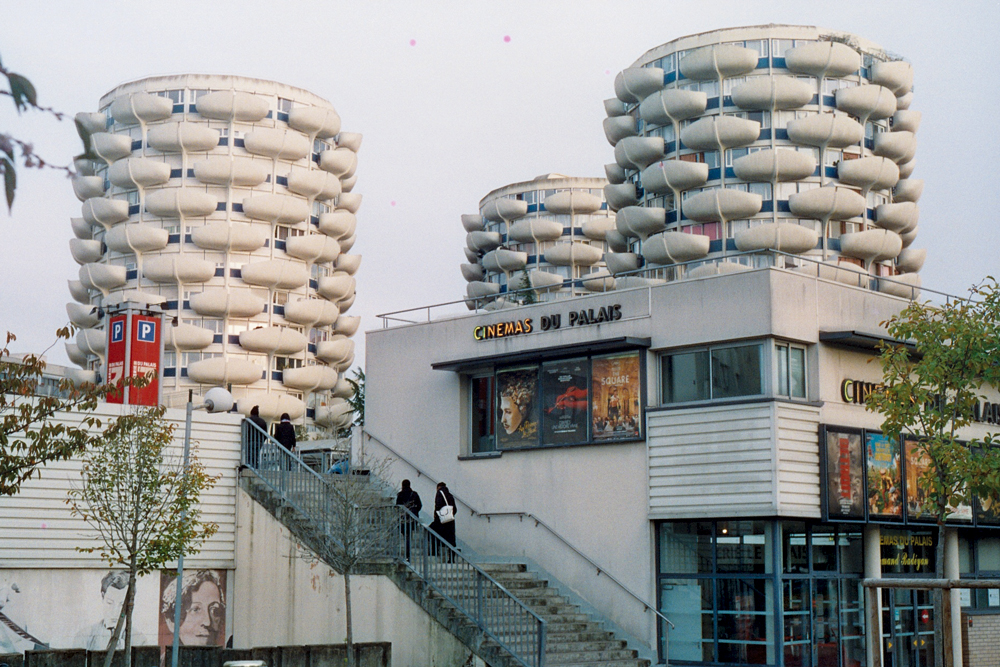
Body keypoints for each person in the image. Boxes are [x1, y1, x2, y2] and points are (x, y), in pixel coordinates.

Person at [75, 570, 149, 650]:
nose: (115, 611)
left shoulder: (140, 641)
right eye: (110, 603)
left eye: (122, 605)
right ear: (103, 597)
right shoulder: (84, 637)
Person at [161, 570, 226, 647]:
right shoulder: (163, 659)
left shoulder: (227, 659)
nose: (207, 622)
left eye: (214, 610)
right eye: (196, 609)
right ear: (171, 621)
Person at [395, 479, 422, 561]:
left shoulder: (400, 495)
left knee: (405, 535)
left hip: (403, 518)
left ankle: (405, 554)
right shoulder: (414, 494)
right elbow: (419, 505)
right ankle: (408, 555)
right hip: (412, 518)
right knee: (409, 535)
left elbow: (397, 506)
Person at [430, 482, 457, 562]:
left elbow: (438, 506)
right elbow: (455, 509)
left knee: (431, 531)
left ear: (438, 487)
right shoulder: (450, 495)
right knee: (451, 540)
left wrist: (438, 516)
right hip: (450, 520)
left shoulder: (439, 493)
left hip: (441, 520)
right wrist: (449, 516)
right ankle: (451, 559)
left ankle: (435, 551)